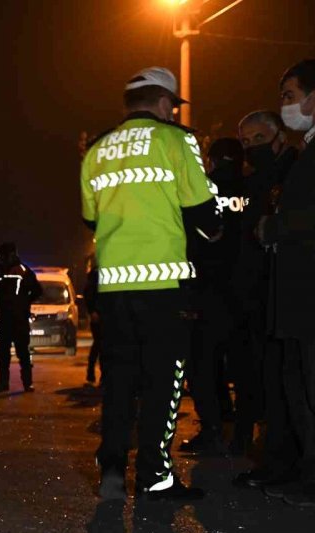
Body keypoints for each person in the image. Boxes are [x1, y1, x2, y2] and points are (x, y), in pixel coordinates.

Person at [79, 66, 221, 501]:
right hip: (163, 285)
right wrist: (214, 227)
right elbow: (203, 214)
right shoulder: (177, 141)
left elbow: (90, 218)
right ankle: (155, 476)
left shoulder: (96, 149)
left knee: (119, 379)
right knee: (164, 380)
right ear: (165, 104)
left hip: (114, 286)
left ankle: (112, 471)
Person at [256, 59, 315, 508]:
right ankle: (310, 473)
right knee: (304, 386)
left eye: (289, 96)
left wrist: (275, 227)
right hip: (301, 294)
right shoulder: (310, 148)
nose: (285, 107)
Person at [230, 111, 297, 471]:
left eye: (258, 139)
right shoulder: (254, 181)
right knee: (257, 372)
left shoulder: (292, 173)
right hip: (253, 293)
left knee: (279, 374)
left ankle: (281, 453)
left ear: (278, 137)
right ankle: (267, 448)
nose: (251, 147)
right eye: (245, 142)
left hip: (279, 292)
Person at [179, 138, 246, 456]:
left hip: (206, 291)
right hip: (246, 291)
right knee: (243, 364)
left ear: (212, 159)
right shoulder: (252, 186)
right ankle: (242, 430)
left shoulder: (203, 189)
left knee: (203, 364)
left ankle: (213, 428)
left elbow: (191, 235)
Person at [0, 242, 41, 393]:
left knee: (23, 352)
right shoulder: (0, 271)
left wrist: (24, 303)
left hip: (19, 319)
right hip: (4, 319)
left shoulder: (23, 270)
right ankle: (3, 383)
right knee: (3, 353)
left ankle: (27, 383)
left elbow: (37, 290)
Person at [82, 254, 102, 385]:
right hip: (99, 316)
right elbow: (88, 293)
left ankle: (97, 375)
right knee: (100, 344)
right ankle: (92, 373)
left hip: (105, 314)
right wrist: (92, 311)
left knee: (100, 345)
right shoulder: (96, 274)